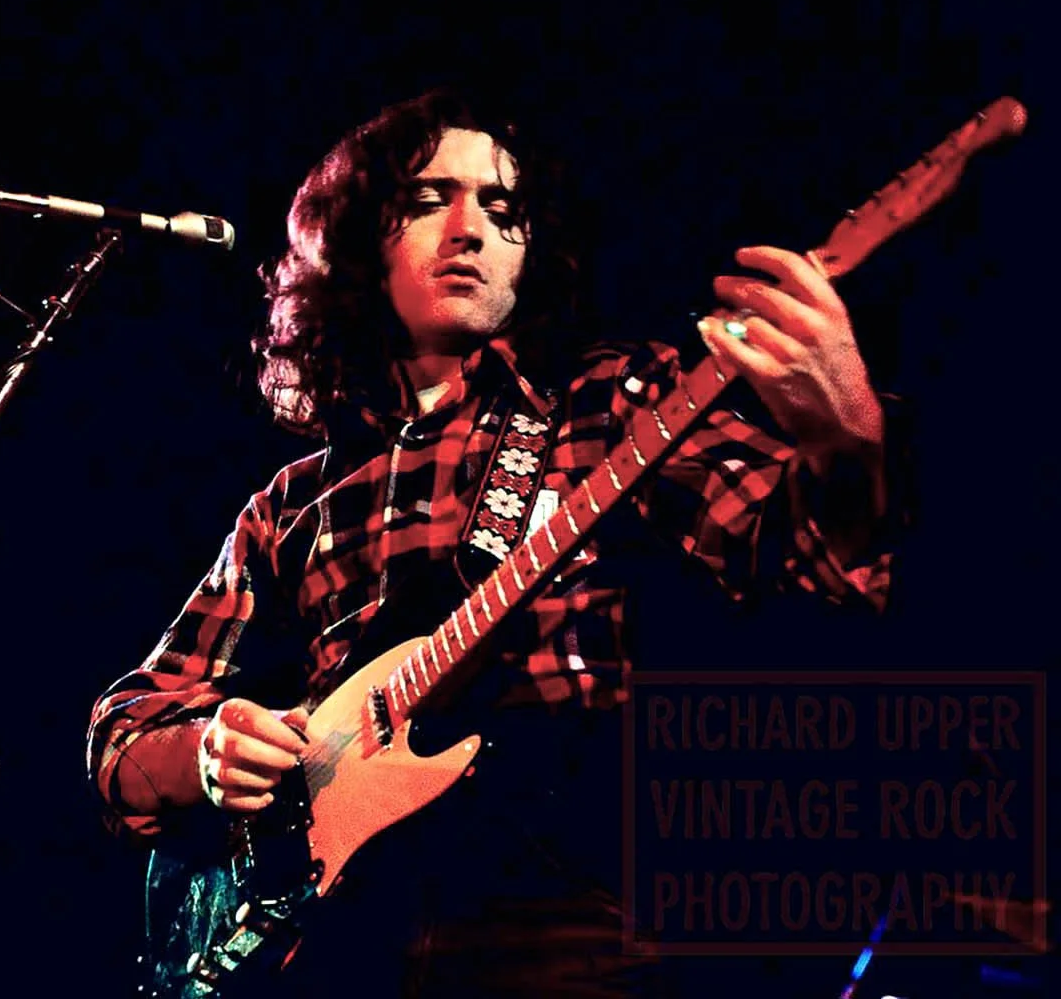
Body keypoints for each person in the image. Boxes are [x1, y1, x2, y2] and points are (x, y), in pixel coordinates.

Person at [85, 87, 898, 997]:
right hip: (330, 928)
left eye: (504, 211)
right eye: (431, 198)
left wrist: (847, 435)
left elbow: (820, 565)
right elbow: (124, 729)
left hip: (557, 899)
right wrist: (208, 752)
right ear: (358, 239)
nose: (470, 229)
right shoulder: (291, 504)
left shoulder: (614, 403)